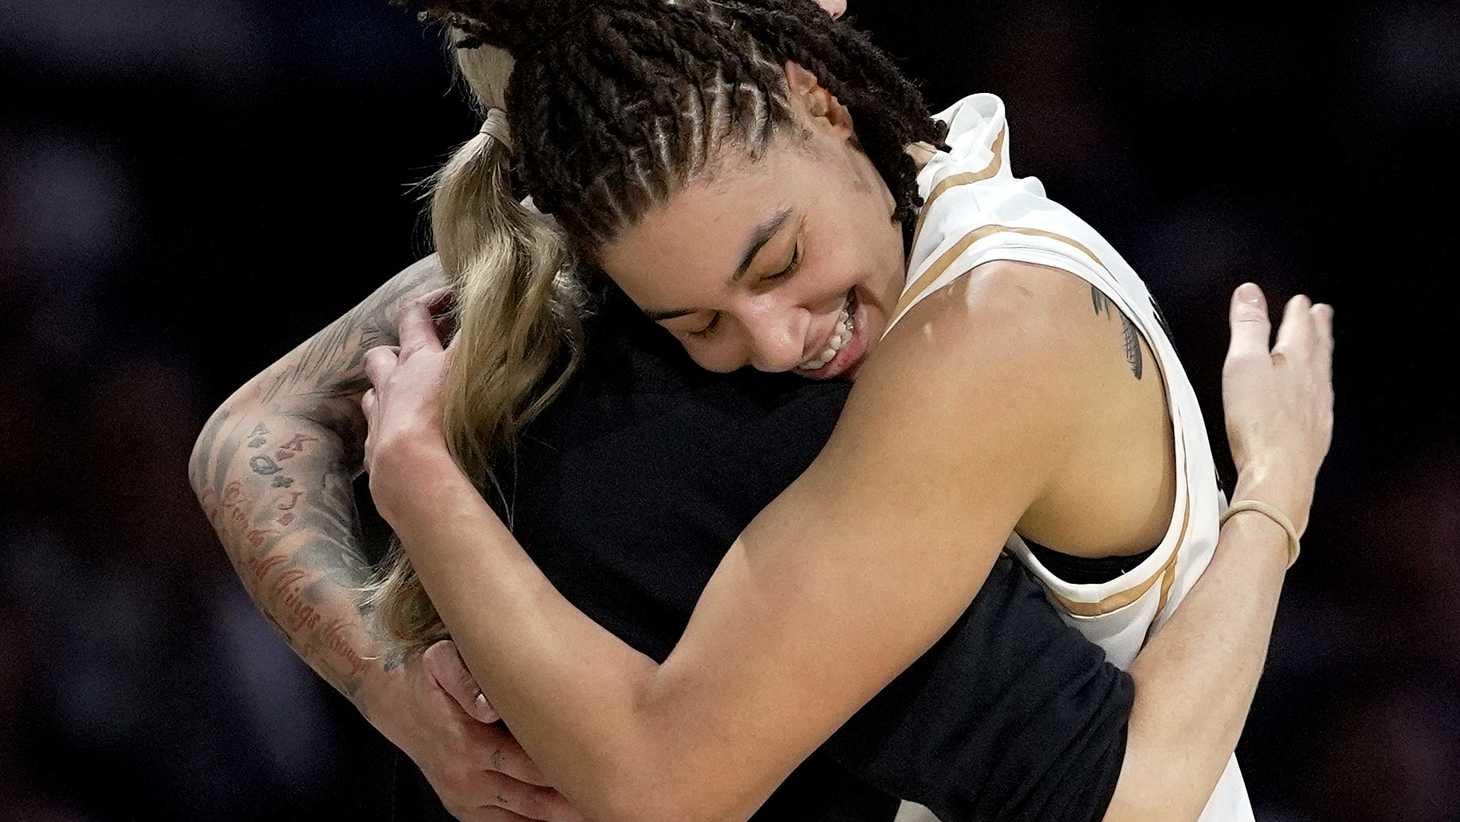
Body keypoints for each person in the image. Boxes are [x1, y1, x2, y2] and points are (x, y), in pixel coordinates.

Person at [351, 1, 1333, 820]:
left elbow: (665, 788)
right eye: (699, 325)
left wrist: (418, 484)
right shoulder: (921, 167)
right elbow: (267, 414)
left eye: (779, 262)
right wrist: (399, 699)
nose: (776, 342)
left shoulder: (988, 332)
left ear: (819, 102)